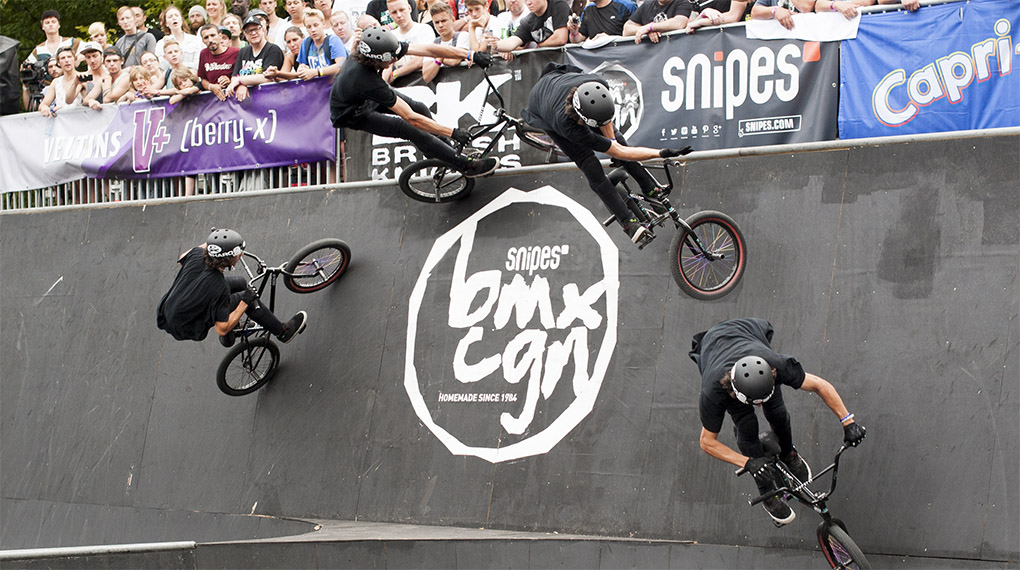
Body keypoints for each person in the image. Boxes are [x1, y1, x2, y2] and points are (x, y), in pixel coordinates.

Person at [688, 317, 868, 525]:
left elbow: (819, 385)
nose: (758, 406)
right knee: (746, 424)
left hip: (745, 332)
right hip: (715, 353)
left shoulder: (775, 365)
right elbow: (707, 442)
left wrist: (848, 421)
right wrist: (748, 462)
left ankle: (788, 454)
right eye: (755, 402)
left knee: (778, 412)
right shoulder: (714, 391)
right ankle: (766, 491)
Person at [520, 63, 689, 243]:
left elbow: (617, 144)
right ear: (582, 120)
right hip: (543, 109)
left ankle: (648, 187)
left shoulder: (599, 83)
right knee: (588, 163)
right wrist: (660, 153)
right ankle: (628, 223)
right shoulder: (568, 126)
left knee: (618, 139)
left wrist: (616, 145)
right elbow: (620, 152)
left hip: (561, 80)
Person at [330, 26, 498, 179]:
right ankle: (466, 165)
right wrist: (452, 132)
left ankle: (446, 151)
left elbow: (428, 49)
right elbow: (412, 119)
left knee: (419, 107)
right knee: (410, 129)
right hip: (352, 114)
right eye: (391, 59)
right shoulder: (365, 79)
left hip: (362, 96)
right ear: (377, 59)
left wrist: (470, 55)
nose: (395, 61)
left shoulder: (379, 51)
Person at [157, 229, 308, 347]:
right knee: (246, 298)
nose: (241, 254)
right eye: (239, 253)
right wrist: (245, 301)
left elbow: (181, 258)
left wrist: (216, 242)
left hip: (170, 309)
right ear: (229, 259)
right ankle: (282, 332)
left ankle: (236, 327)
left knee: (240, 282)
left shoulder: (196, 255)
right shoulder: (219, 286)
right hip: (187, 325)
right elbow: (221, 328)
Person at [22, 9, 82, 109]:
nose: (50, 25)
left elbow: (91, 52)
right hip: (49, 87)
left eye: (53, 22)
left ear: (59, 25)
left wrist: (78, 59)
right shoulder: (39, 49)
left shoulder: (71, 42)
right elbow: (27, 65)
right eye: (47, 22)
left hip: (71, 81)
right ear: (42, 26)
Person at [227, 16, 286, 101]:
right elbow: (234, 77)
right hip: (246, 103)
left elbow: (267, 77)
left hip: (269, 98)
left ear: (262, 30)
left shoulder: (273, 49)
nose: (253, 33)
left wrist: (240, 81)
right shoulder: (243, 51)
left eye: (256, 29)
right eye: (249, 31)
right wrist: (241, 84)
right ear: (244, 35)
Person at [383, 0, 437, 83]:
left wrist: (395, 74)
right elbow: (387, 65)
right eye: (394, 12)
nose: (399, 15)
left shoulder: (424, 29)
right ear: (390, 15)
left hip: (424, 84)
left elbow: (421, 59)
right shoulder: (391, 36)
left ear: (409, 8)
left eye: (402, 10)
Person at [487, 0, 570, 53]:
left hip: (569, 61)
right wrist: (495, 44)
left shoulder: (558, 5)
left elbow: (560, 38)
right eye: (526, 0)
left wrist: (539, 46)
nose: (528, 3)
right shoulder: (528, 21)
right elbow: (512, 42)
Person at [293, 9, 348, 79]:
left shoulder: (333, 40)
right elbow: (300, 67)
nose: (313, 30)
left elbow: (341, 66)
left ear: (323, 24)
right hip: (316, 87)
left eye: (316, 25)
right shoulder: (306, 43)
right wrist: (302, 69)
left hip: (334, 86)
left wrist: (317, 72)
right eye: (309, 27)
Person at [423, 2, 469, 83]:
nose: (440, 25)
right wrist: (441, 57)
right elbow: (426, 76)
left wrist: (437, 56)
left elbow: (455, 61)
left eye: (443, 21)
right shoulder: (433, 43)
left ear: (453, 20)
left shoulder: (463, 36)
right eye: (437, 22)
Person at [197, 23, 241, 101]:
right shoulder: (203, 54)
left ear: (220, 36)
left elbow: (245, 75)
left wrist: (231, 81)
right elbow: (203, 80)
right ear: (203, 41)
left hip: (235, 98)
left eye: (213, 35)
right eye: (206, 37)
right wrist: (211, 86)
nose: (210, 40)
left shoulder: (236, 52)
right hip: (213, 101)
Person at [156, 5, 204, 70]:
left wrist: (180, 66)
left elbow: (199, 63)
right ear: (166, 23)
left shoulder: (195, 40)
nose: (174, 18)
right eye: (170, 17)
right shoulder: (161, 44)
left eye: (176, 15)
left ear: (181, 19)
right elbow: (162, 67)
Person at [622, 0, 692, 43]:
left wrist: (651, 27)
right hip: (651, 57)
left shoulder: (683, 2)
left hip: (676, 49)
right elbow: (626, 30)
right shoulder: (647, 5)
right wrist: (646, 30)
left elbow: (679, 23)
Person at [567, 0, 635, 43]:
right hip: (595, 59)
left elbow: (636, 35)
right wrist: (574, 31)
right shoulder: (588, 9)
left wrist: (609, 39)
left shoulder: (626, 6)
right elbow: (578, 39)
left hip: (620, 57)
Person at [39, 47, 81, 117]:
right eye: (63, 58)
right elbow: (43, 104)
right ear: (58, 63)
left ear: (75, 59)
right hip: (61, 123)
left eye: (69, 57)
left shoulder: (82, 77)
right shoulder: (56, 82)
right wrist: (45, 108)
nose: (66, 60)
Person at [685, 0, 749, 33]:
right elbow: (690, 25)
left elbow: (733, 17)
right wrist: (703, 14)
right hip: (707, 43)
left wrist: (701, 22)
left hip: (734, 39)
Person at [749, 0, 815, 30]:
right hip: (780, 42)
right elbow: (755, 12)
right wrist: (775, 10)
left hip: (805, 39)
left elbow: (807, 7)